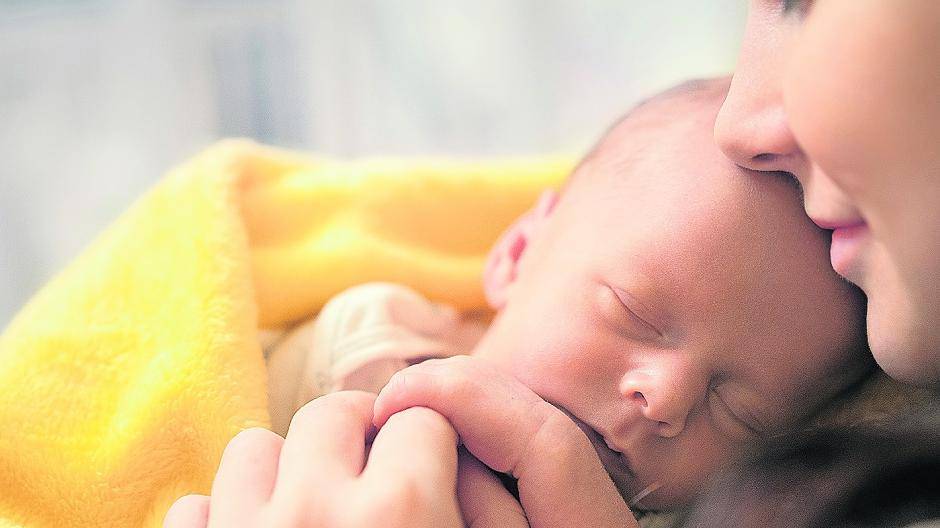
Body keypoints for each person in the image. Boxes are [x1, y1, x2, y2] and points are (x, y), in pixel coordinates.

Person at [165, 78, 883, 527]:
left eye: (740, 412)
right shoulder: (373, 345)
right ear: (515, 256)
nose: (664, 399)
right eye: (634, 312)